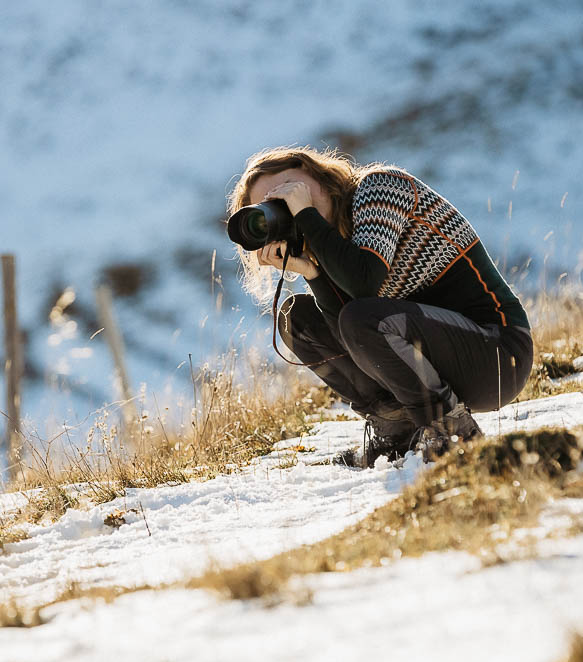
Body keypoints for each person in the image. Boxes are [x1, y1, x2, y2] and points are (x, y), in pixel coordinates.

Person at [228, 146, 533, 466]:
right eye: (271, 207)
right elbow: (349, 333)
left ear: (314, 172)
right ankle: (398, 433)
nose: (287, 204)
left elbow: (364, 284)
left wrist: (307, 216)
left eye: (289, 190)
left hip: (498, 355)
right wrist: (313, 273)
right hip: (439, 364)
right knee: (298, 318)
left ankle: (454, 436)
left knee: (364, 317)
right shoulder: (327, 244)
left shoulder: (380, 187)